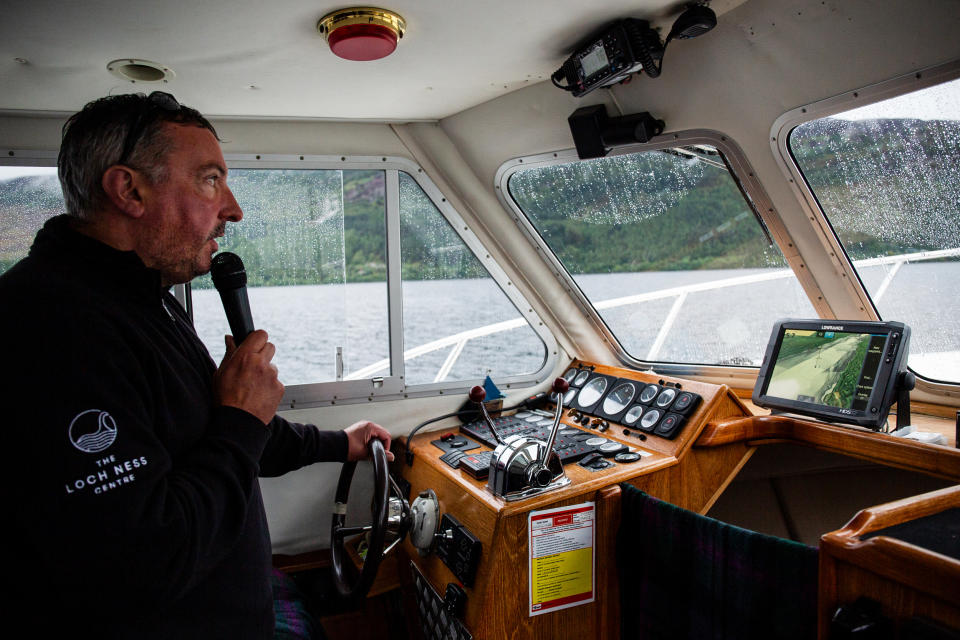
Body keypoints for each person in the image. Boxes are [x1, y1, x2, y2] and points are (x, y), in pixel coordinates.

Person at [0, 92, 392, 638]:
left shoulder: (144, 297)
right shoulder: (47, 327)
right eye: (210, 179)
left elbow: (218, 430)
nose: (232, 208)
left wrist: (335, 443)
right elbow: (144, 562)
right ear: (129, 190)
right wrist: (240, 421)